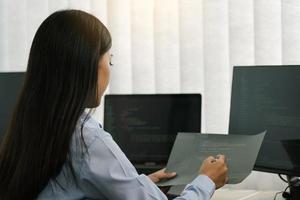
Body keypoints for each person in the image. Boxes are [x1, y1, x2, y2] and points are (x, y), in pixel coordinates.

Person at [0, 10, 228, 200]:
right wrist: (206, 181)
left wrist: (138, 184)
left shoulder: (33, 125)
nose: (110, 69)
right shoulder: (86, 138)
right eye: (110, 60)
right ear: (88, 67)